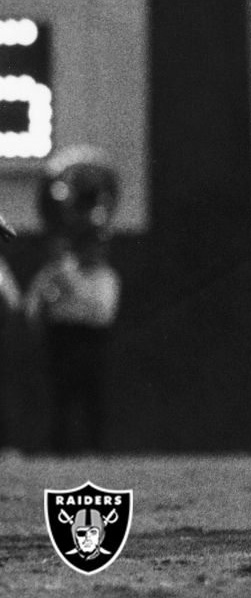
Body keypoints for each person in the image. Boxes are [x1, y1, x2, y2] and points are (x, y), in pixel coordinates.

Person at [27, 147, 122, 453]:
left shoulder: (106, 277)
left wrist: (66, 272)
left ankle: (98, 452)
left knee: (93, 401)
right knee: (60, 401)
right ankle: (58, 452)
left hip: (90, 341)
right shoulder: (55, 270)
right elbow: (33, 304)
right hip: (60, 339)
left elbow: (100, 313)